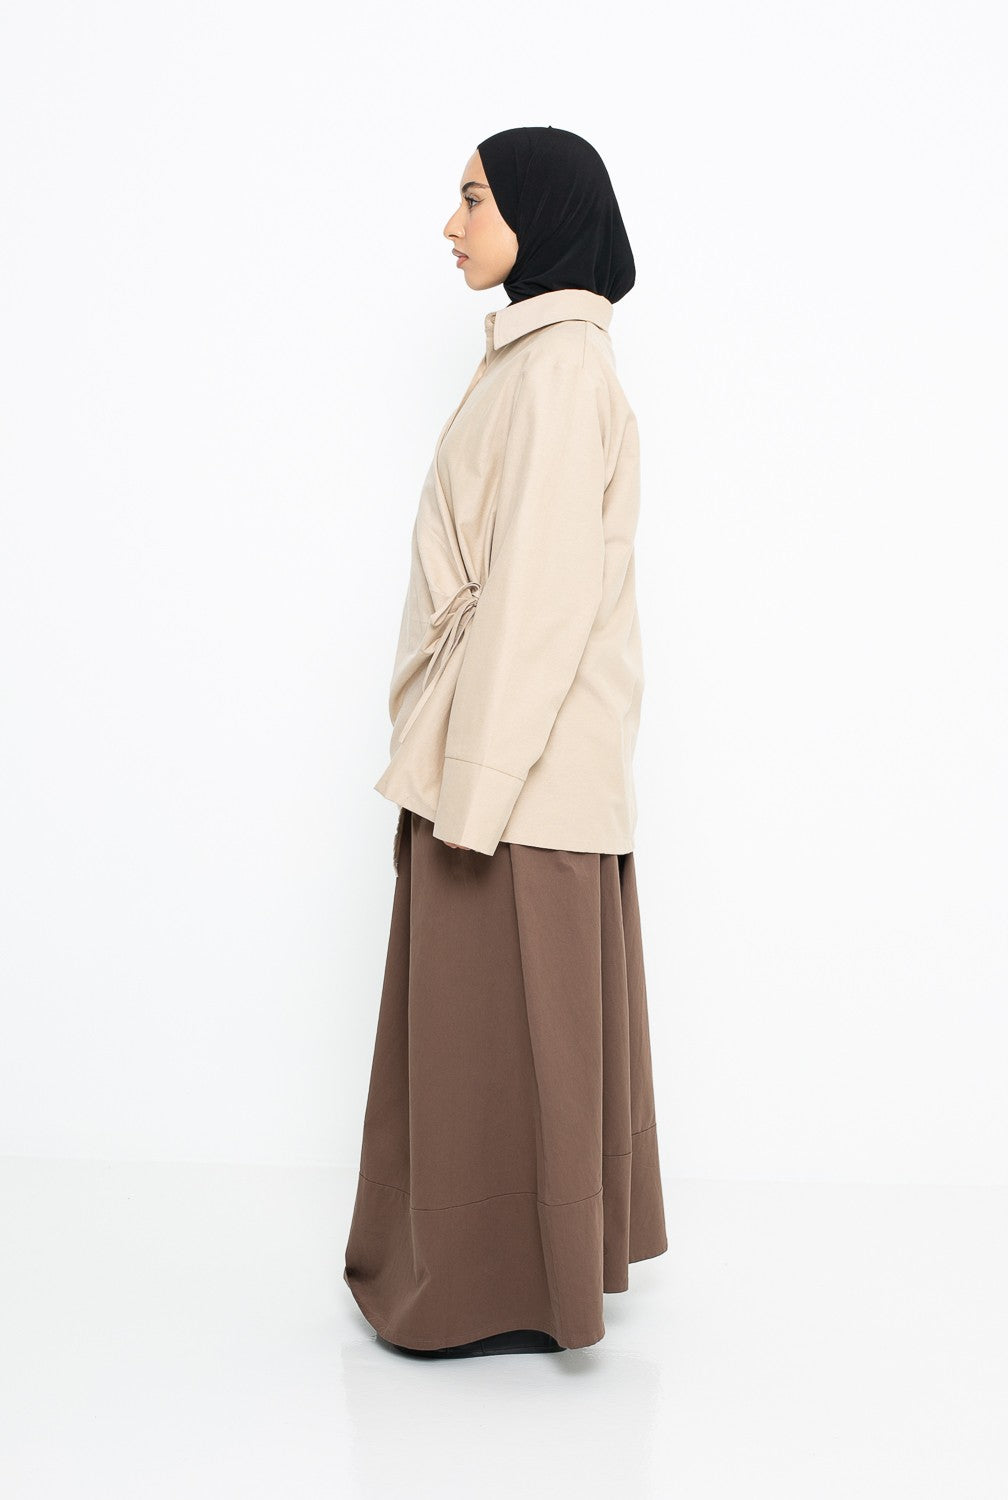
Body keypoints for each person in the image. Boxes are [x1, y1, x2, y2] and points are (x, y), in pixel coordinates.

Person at [343, 125, 668, 1358]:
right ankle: (498, 1278)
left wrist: (468, 793)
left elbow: (538, 598)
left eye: (473, 198)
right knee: (487, 1043)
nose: (452, 223)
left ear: (540, 210)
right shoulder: (535, 361)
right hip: (499, 757)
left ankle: (494, 1291)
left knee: (500, 1038)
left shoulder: (559, 370)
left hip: (518, 777)